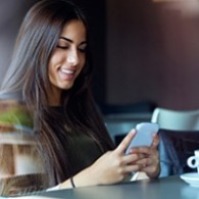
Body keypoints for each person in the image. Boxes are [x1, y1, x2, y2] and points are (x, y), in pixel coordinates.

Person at [0, 0, 160, 193]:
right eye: (62, 46)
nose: (75, 59)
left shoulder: (80, 108)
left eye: (81, 48)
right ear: (36, 48)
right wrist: (88, 179)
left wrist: (142, 173)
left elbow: (110, 187)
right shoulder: (10, 113)